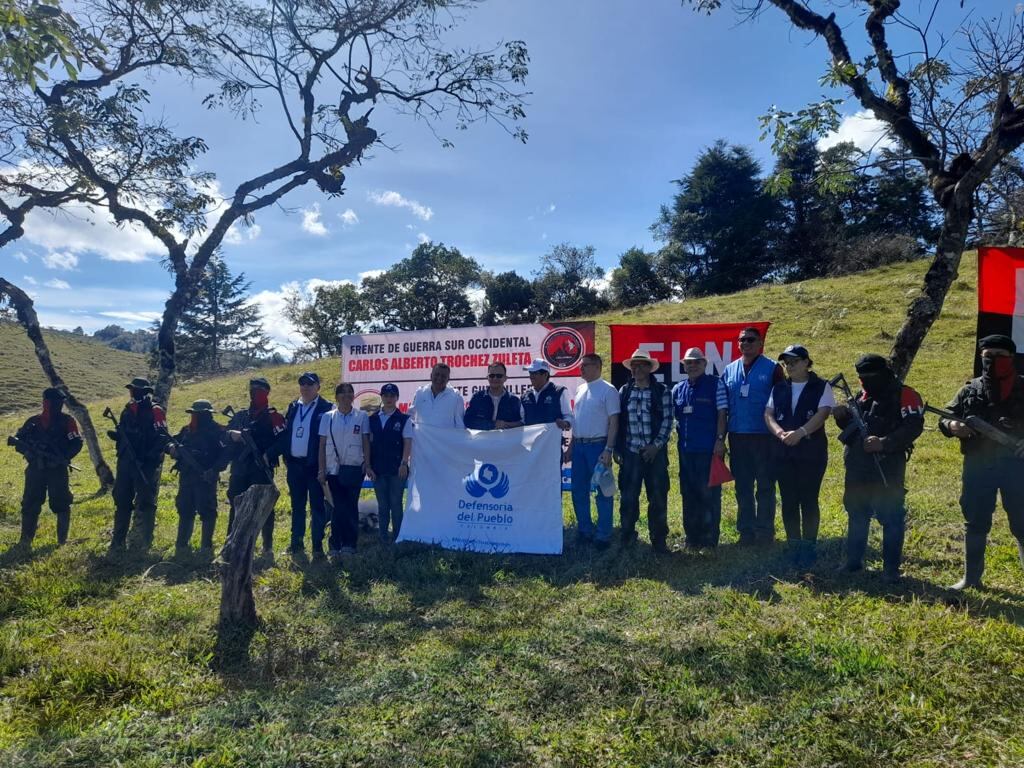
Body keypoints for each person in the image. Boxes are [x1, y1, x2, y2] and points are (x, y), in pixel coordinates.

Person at [938, 334, 1024, 590]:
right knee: (975, 521)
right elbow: (946, 416)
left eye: (1000, 356)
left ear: (1011, 358)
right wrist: (952, 425)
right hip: (978, 465)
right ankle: (971, 579)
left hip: (1017, 466)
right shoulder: (969, 389)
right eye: (988, 356)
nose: (993, 361)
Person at [833, 353, 924, 582]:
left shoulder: (905, 394)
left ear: (883, 373)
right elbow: (853, 428)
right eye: (862, 376)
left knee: (891, 516)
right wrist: (841, 418)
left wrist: (884, 442)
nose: (865, 381)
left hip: (887, 466)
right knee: (856, 513)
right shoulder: (861, 396)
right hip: (857, 465)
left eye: (870, 376)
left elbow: (913, 427)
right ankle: (853, 563)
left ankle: (891, 570)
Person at [764, 344, 834, 568]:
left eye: (794, 362)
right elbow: (768, 414)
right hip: (783, 452)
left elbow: (823, 413)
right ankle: (793, 545)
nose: (789, 366)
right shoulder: (779, 387)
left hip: (811, 453)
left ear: (806, 362)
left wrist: (801, 433)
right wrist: (780, 433)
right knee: (789, 499)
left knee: (809, 499)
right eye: (786, 363)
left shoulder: (821, 386)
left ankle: (809, 546)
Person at [722, 326, 784, 545]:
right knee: (743, 487)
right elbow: (723, 406)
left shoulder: (773, 368)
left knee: (765, 486)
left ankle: (765, 532)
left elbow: (782, 402)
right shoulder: (729, 370)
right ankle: (746, 532)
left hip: (764, 436)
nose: (746, 344)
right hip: (738, 436)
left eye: (750, 340)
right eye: (742, 340)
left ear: (760, 343)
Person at [615, 349, 673, 553]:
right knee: (628, 498)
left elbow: (668, 421)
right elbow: (618, 422)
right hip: (630, 453)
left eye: (641, 365)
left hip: (655, 455)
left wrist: (656, 446)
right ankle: (627, 538)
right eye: (634, 366)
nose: (637, 369)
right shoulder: (624, 391)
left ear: (649, 368)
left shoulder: (662, 391)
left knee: (658, 498)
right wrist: (618, 449)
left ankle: (659, 541)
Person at [11, 387, 83, 548]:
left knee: (61, 503)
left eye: (60, 402)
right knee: (30, 503)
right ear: (46, 402)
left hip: (57, 469)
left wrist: (64, 458)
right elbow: (18, 441)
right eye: (55, 402)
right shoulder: (33, 421)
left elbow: (76, 443)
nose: (59, 405)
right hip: (35, 468)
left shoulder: (67, 421)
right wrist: (28, 451)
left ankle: (62, 542)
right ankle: (25, 541)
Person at [672, 347, 728, 549]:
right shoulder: (678, 389)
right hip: (686, 451)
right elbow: (673, 417)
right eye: (689, 362)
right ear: (684, 366)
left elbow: (722, 414)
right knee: (688, 494)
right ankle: (692, 539)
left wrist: (720, 440)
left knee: (709, 495)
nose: (693, 365)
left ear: (705, 364)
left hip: (709, 451)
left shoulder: (716, 384)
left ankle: (710, 540)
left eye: (697, 362)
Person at [225, 377, 287, 558]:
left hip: (261, 469)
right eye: (253, 390)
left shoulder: (274, 417)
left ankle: (267, 547)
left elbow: (284, 440)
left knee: (265, 507)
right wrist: (232, 435)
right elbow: (223, 437)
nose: (255, 394)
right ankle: (231, 544)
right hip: (240, 469)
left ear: (267, 393)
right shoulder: (240, 416)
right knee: (236, 505)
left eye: (259, 391)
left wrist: (269, 454)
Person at [109, 377, 169, 552]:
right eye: (132, 389)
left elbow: (162, 437)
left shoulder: (155, 411)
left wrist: (149, 457)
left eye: (136, 389)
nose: (133, 392)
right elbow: (123, 432)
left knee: (146, 502)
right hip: (126, 462)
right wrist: (118, 437)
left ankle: (145, 542)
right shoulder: (127, 410)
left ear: (144, 392)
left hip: (145, 464)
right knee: (122, 500)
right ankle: (118, 541)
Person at [570, 353, 620, 548]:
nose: (581, 368)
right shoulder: (580, 389)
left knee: (603, 491)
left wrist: (609, 449)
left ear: (598, 367)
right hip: (579, 447)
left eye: (586, 365)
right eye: (581, 365)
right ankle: (585, 530)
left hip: (598, 447)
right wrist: (571, 447)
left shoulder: (608, 390)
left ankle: (603, 535)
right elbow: (577, 421)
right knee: (578, 490)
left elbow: (614, 422)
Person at [282, 372, 333, 557]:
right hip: (294, 465)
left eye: (310, 384)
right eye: (302, 384)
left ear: (318, 387)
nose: (305, 387)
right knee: (297, 506)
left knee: (317, 506)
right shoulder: (293, 406)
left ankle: (317, 546)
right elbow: (286, 432)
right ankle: (296, 543)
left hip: (314, 466)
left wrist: (325, 467)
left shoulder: (327, 408)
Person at [167, 400, 228, 555]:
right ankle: (181, 545)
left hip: (206, 476)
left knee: (207, 509)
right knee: (185, 508)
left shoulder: (218, 431)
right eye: (194, 414)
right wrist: (171, 448)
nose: (195, 417)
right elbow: (171, 442)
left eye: (198, 414)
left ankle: (206, 547)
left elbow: (225, 455)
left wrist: (214, 470)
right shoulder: (187, 430)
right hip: (187, 476)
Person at [319, 382, 373, 555]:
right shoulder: (327, 417)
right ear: (336, 397)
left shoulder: (361, 416)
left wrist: (367, 464)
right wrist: (321, 469)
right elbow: (322, 445)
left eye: (350, 392)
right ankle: (335, 544)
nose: (346, 395)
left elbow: (366, 441)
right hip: (333, 469)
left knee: (350, 506)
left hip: (354, 467)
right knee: (338, 507)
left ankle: (350, 544)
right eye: (342, 393)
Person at [369, 383, 412, 543]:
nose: (389, 398)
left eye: (392, 395)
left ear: (397, 398)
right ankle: (383, 537)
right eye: (386, 395)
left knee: (396, 504)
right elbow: (368, 443)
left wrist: (404, 463)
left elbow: (407, 442)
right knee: (383, 505)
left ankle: (398, 537)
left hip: (397, 469)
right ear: (381, 397)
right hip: (377, 469)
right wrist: (368, 465)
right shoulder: (372, 419)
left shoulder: (404, 419)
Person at [464, 362, 524, 430]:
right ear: (487, 377)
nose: (495, 378)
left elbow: (522, 423)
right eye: (491, 375)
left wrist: (506, 424)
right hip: (483, 437)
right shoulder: (477, 398)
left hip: (505, 437)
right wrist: (492, 425)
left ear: (505, 378)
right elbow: (468, 420)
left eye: (499, 376)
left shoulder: (514, 400)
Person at [407, 362, 465, 430]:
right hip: (422, 437)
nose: (439, 378)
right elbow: (410, 416)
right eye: (437, 374)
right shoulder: (420, 393)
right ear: (431, 376)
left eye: (443, 376)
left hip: (445, 437)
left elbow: (460, 426)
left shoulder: (456, 397)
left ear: (448, 379)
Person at [522, 359, 572, 430]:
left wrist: (565, 423)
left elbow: (569, 416)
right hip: (530, 437)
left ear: (545, 374)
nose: (531, 376)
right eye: (530, 373)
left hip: (553, 437)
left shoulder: (559, 392)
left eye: (535, 373)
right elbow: (522, 420)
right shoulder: (525, 395)